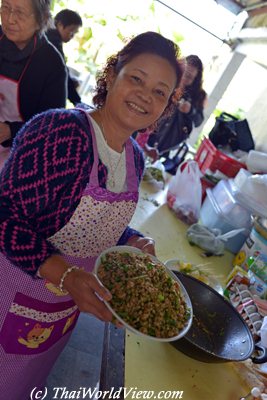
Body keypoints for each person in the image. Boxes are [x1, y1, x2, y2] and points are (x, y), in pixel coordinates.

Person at [0, 31, 183, 398]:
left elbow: (92, 224)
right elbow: (5, 221)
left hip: (59, 312)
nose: (146, 95)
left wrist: (131, 239)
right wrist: (65, 275)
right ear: (112, 73)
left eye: (161, 92)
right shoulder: (60, 133)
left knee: (24, 383)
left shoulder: (134, 158)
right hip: (12, 293)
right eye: (136, 78)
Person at [0, 0, 67, 167]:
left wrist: (10, 131)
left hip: (17, 150)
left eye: (20, 13)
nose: (9, 19)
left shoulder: (52, 64)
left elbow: (51, 126)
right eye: (5, 8)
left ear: (42, 19)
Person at [147, 54, 207, 173]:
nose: (184, 78)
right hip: (148, 131)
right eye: (184, 72)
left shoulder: (199, 95)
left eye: (189, 77)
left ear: (195, 79)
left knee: (152, 172)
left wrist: (190, 110)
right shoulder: (167, 79)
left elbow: (199, 121)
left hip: (171, 142)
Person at [46, 9, 83, 106]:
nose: (72, 36)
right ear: (60, 25)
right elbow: (63, 73)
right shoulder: (53, 43)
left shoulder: (48, 36)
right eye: (71, 31)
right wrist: (78, 102)